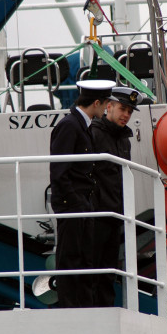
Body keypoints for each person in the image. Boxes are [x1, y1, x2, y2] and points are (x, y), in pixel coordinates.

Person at [49, 79, 115, 308]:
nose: (107, 108)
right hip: (72, 204)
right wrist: (75, 202)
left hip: (83, 203)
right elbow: (59, 171)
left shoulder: (81, 126)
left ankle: (85, 307)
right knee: (70, 259)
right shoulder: (70, 125)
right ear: (96, 103)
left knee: (86, 259)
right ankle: (70, 308)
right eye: (106, 103)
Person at [89, 87, 143, 307]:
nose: (126, 115)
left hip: (115, 214)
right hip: (96, 214)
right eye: (123, 109)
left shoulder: (123, 140)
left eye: (130, 111)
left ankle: (107, 309)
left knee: (110, 269)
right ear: (108, 106)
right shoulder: (93, 134)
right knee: (93, 268)